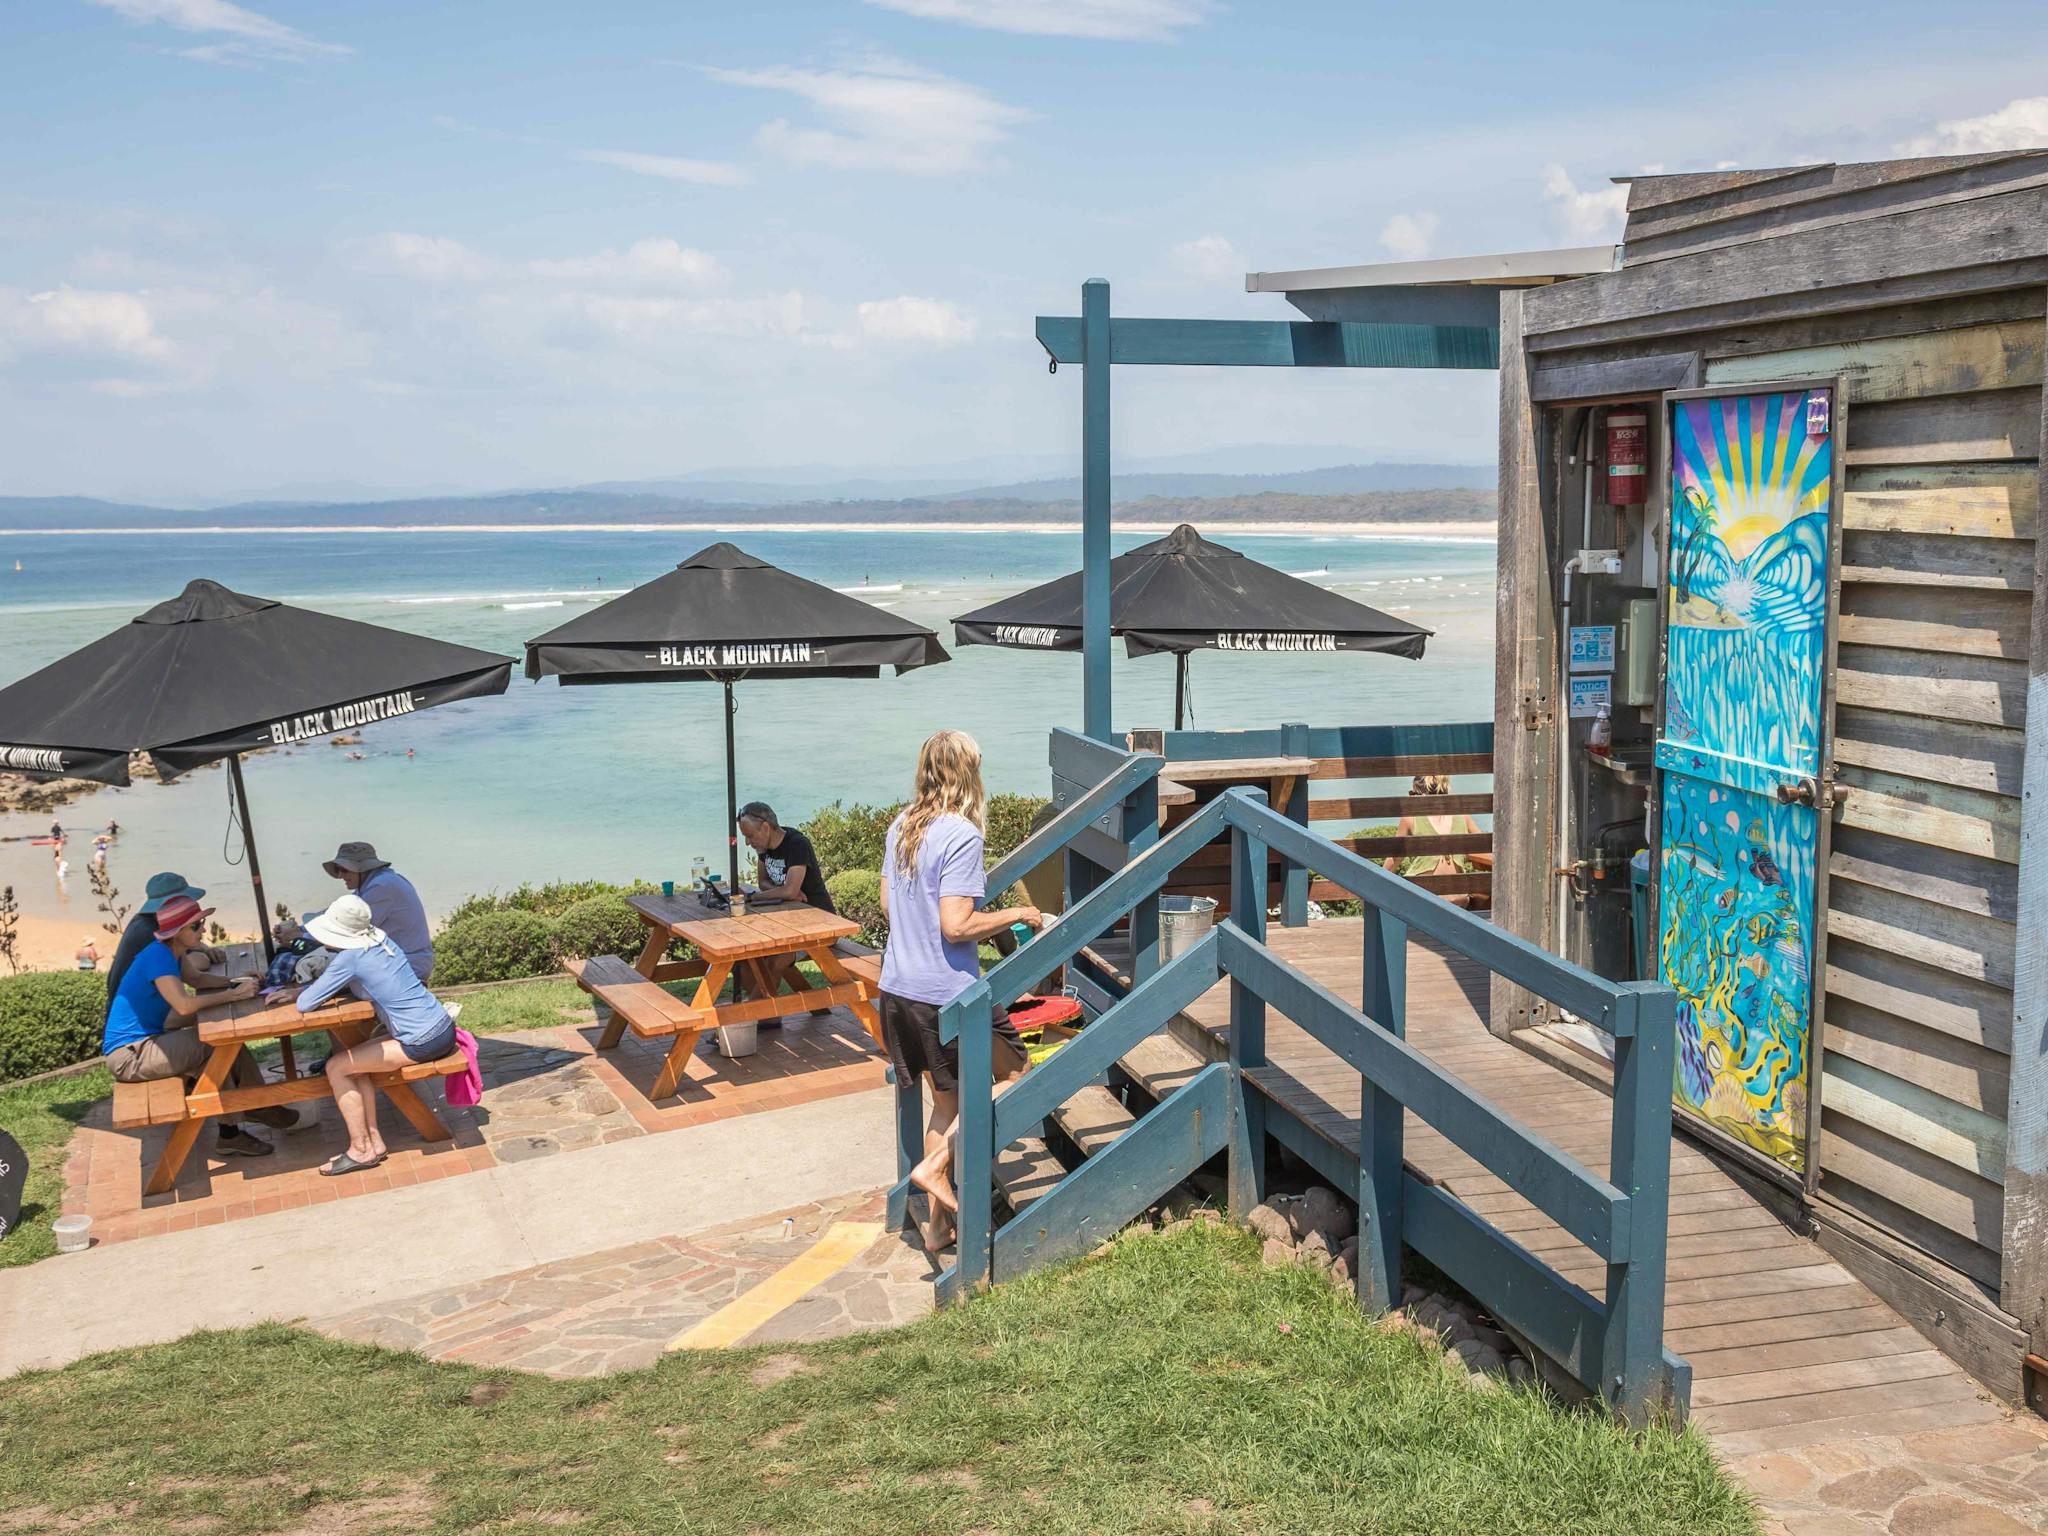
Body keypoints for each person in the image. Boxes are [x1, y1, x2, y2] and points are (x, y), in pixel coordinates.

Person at [877, 730, 1043, 1251]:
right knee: (1017, 1074)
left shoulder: (902, 825)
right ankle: (934, 1167)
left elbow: (888, 906)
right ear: (968, 773)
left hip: (897, 990)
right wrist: (1017, 913)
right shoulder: (962, 835)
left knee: (946, 1101)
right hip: (946, 995)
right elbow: (955, 925)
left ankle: (937, 1227)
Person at [101, 894, 293, 1158]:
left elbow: (199, 980)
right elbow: (183, 1005)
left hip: (149, 1041)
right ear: (178, 932)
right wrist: (232, 996)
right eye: (197, 926)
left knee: (220, 1053)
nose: (203, 929)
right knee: (214, 1045)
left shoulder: (172, 953)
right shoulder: (158, 957)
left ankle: (237, 1126)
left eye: (202, 923)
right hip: (131, 1055)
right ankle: (256, 1105)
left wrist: (234, 982)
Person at [279, 894, 457, 1177]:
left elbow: (305, 1005)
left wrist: (299, 992)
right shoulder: (381, 940)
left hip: (421, 1040)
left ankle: (360, 1149)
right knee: (353, 1060)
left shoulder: (349, 958)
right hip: (440, 1026)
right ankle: (373, 1142)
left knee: (335, 1067)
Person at [279, 842, 433, 981]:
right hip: (399, 961)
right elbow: (336, 915)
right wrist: (301, 929)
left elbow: (347, 931)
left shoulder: (381, 887)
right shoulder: (375, 883)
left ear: (361, 868)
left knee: (317, 971)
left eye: (344, 870)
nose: (340, 876)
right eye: (339, 870)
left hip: (408, 966)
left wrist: (300, 936)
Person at [734, 802, 834, 1015]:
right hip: (788, 924)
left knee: (776, 959)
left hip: (819, 925)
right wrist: (784, 890)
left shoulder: (797, 844)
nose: (747, 842)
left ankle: (745, 1018)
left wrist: (752, 897)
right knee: (742, 960)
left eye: (750, 836)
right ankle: (767, 1014)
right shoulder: (765, 848)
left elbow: (788, 891)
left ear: (766, 827)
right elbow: (764, 882)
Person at [1383, 773, 1494, 909]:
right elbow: (1484, 846)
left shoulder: (1411, 818)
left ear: (1419, 794)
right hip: (1459, 899)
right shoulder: (1462, 816)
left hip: (1424, 900)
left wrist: (1375, 885)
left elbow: (1394, 860)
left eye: (1412, 794)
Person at [107, 871, 208, 1001]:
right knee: (201, 961)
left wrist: (203, 948)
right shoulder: (151, 934)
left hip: (139, 1002)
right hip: (139, 1011)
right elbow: (192, 974)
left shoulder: (146, 920)